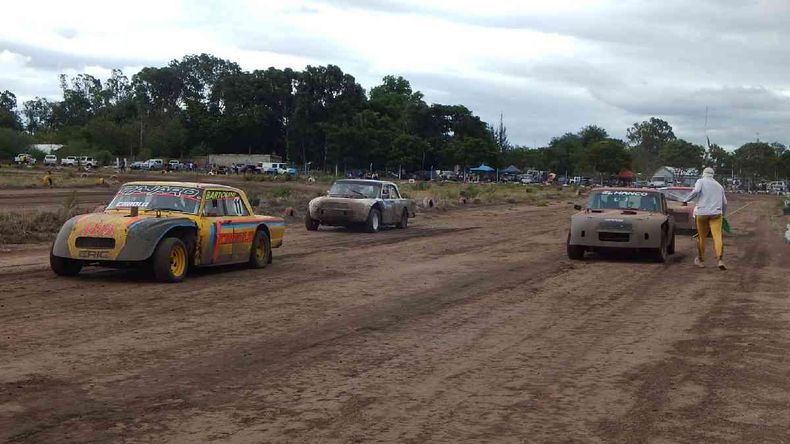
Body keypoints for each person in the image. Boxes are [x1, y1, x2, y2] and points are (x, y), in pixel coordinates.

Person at [683, 167, 727, 270]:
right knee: (717, 236)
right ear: (713, 175)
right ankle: (720, 260)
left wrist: (686, 200)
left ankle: (700, 260)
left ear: (703, 174)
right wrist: (722, 214)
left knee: (702, 237)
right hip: (716, 214)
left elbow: (696, 191)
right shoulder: (719, 186)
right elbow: (725, 202)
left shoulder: (701, 181)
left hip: (702, 213)